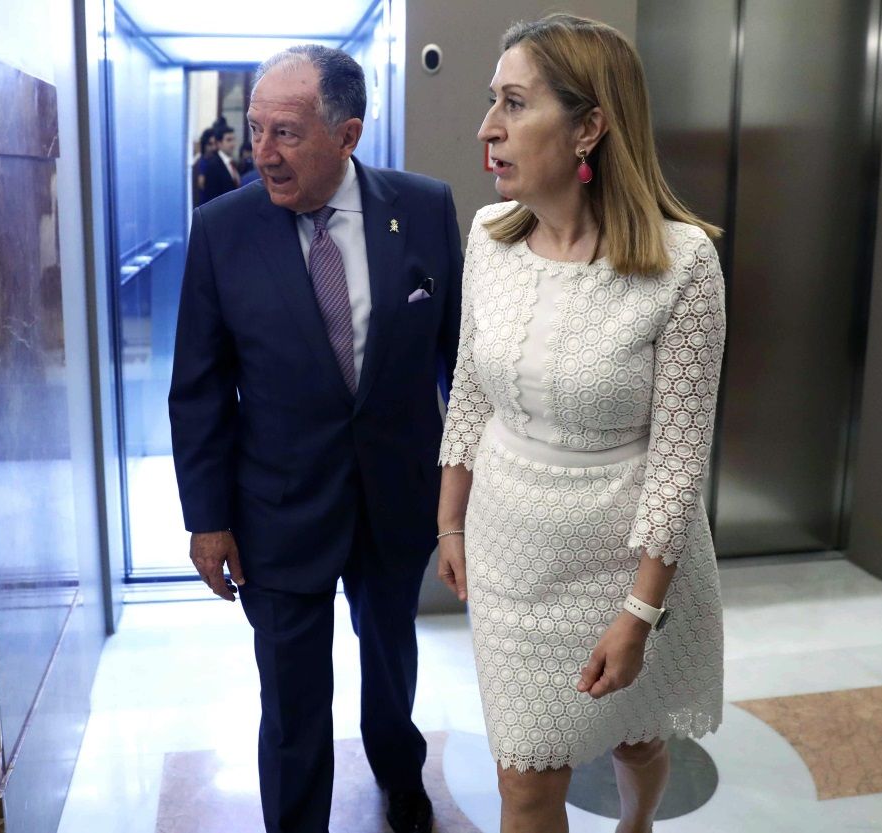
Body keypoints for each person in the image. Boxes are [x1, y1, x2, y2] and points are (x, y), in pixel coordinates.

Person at [435, 14, 725, 833]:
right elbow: (470, 388)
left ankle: (635, 825)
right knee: (526, 782)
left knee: (634, 735)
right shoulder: (491, 238)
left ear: (590, 125)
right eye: (495, 101)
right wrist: (450, 518)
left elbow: (677, 461)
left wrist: (640, 615)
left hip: (624, 558)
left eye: (516, 103)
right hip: (510, 546)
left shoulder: (683, 266)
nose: (489, 127)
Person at [169, 45, 463, 833]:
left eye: (286, 133)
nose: (260, 152)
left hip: (395, 496)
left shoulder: (426, 209)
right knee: (292, 696)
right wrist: (207, 517)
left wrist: (464, 501)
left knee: (390, 657)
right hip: (278, 505)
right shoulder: (222, 231)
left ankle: (400, 773)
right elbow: (198, 389)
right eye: (255, 128)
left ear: (348, 134)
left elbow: (460, 366)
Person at [198, 124, 241, 205]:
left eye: (233, 140)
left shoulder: (233, 163)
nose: (233, 144)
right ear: (219, 143)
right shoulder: (213, 165)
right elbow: (212, 198)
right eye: (228, 140)